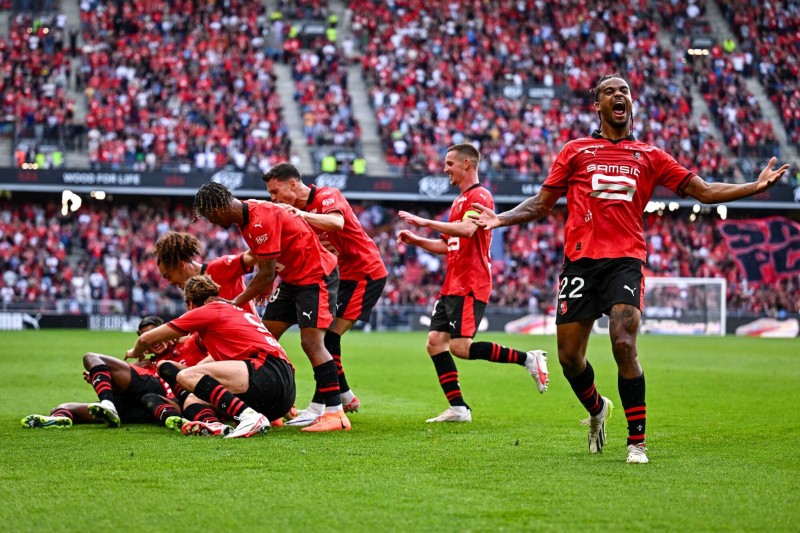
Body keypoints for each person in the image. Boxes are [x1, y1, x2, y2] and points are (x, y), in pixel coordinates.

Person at [471, 74, 790, 464]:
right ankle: (597, 409)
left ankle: (636, 443)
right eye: (609, 91)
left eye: (624, 91)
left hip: (625, 259)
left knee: (624, 341)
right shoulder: (575, 150)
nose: (618, 95)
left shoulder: (651, 156)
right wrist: (500, 220)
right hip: (580, 262)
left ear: (631, 104)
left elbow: (704, 191)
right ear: (598, 106)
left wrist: (751, 188)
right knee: (570, 358)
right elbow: (540, 204)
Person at [396, 142, 549, 423]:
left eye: (450, 163)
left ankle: (528, 358)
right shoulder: (458, 202)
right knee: (435, 343)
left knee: (460, 347)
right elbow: (448, 245)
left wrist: (425, 222)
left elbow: (467, 231)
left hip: (471, 282)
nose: (445, 169)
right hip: (452, 282)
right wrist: (417, 239)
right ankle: (458, 409)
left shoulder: (481, 196)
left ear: (467, 164)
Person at [193, 182, 351, 432]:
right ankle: (276, 407)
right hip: (293, 279)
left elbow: (266, 274)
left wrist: (235, 302)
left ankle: (335, 415)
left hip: (315, 275)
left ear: (219, 208)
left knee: (311, 343)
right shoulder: (248, 216)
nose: (211, 221)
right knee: (265, 340)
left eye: (209, 215)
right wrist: (267, 278)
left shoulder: (259, 219)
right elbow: (267, 261)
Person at [263, 162, 388, 425]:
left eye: (275, 191)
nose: (272, 198)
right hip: (335, 275)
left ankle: (322, 406)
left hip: (364, 273)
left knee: (327, 338)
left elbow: (337, 222)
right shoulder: (294, 210)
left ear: (293, 184)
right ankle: (343, 395)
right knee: (322, 337)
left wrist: (300, 215)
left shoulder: (327, 195)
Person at [126, 275, 296, 438]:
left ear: (190, 304)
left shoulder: (206, 310)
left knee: (185, 375)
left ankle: (249, 417)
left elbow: (146, 338)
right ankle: (216, 426)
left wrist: (135, 352)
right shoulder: (234, 312)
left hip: (266, 373)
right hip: (282, 392)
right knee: (193, 398)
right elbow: (212, 364)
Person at [20, 316, 206, 429]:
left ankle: (174, 420)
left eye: (154, 334)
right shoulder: (144, 364)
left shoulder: (187, 344)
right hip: (137, 408)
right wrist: (100, 378)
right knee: (64, 408)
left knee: (151, 397)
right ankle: (59, 420)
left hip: (173, 401)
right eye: (146, 339)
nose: (153, 342)